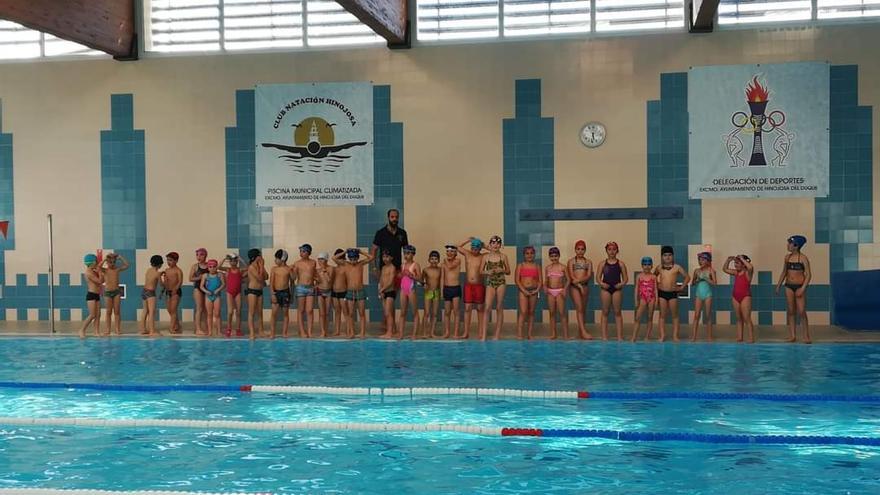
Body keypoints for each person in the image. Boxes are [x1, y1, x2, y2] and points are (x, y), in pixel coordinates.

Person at [776, 235, 812, 344]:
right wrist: (778, 285)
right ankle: (792, 335)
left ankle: (806, 336)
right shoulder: (787, 257)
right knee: (791, 311)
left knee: (801, 311)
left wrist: (803, 288)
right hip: (789, 286)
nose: (788, 245)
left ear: (796, 246)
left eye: (789, 244)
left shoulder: (803, 258)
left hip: (799, 286)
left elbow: (809, 275)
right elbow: (784, 272)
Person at [654, 245, 689, 342]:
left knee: (675, 315)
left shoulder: (677, 267)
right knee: (662, 315)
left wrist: (682, 287)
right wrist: (656, 285)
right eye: (665, 255)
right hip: (662, 294)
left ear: (673, 256)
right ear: (662, 257)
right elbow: (653, 278)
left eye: (669, 255)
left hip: (673, 293)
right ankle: (662, 335)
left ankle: (675, 336)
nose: (667, 257)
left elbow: (687, 277)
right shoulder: (659, 267)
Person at [338, 248, 375, 338]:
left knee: (362, 313)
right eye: (351, 259)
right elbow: (334, 258)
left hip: (360, 291)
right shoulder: (346, 264)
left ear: (357, 258)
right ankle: (352, 332)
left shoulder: (360, 263)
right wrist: (345, 251)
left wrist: (361, 251)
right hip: (350, 292)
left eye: (355, 259)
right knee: (350, 313)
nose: (353, 261)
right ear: (348, 258)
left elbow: (371, 257)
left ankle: (362, 333)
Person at [596, 241, 629, 341]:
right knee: (605, 312)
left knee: (617, 312)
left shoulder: (621, 264)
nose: (612, 251)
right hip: (605, 289)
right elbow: (597, 278)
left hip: (617, 289)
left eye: (614, 249)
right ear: (606, 250)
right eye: (609, 249)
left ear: (617, 251)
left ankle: (619, 336)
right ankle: (604, 336)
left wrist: (621, 284)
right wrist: (602, 284)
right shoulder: (602, 264)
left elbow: (626, 278)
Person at [481, 235, 510, 341]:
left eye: (498, 243)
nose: (495, 245)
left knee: (499, 307)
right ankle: (484, 335)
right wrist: (488, 272)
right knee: (487, 307)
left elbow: (508, 271)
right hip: (490, 282)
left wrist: (501, 270)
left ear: (500, 245)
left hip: (501, 282)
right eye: (493, 243)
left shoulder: (503, 257)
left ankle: (497, 334)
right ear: (490, 245)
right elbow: (481, 271)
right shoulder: (486, 257)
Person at [458, 238, 486, 339]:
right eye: (473, 248)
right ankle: (466, 332)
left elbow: (493, 251)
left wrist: (484, 245)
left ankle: (480, 332)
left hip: (479, 285)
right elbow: (457, 247)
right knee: (467, 308)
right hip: (468, 286)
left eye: (477, 249)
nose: (474, 251)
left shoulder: (483, 256)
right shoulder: (467, 254)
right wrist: (468, 240)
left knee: (480, 309)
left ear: (480, 249)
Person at [566, 240, 593, 340]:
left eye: (582, 249)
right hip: (575, 287)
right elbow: (572, 277)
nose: (580, 251)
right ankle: (584, 332)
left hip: (585, 286)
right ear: (575, 250)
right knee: (580, 308)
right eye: (578, 249)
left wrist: (580, 282)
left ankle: (580, 332)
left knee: (582, 310)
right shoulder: (571, 261)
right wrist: (579, 285)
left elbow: (589, 275)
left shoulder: (588, 262)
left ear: (585, 250)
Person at [725, 254, 755, 343]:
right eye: (735, 263)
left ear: (743, 264)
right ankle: (740, 337)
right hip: (735, 296)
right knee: (738, 318)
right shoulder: (736, 272)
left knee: (747, 318)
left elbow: (750, 267)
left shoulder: (747, 273)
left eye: (737, 263)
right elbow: (725, 269)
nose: (735, 265)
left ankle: (751, 338)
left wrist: (742, 259)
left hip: (745, 296)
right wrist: (728, 260)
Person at [515, 246, 542, 340]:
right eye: (527, 253)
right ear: (524, 255)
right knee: (523, 312)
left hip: (534, 291)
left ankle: (530, 334)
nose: (529, 255)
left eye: (531, 253)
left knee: (531, 312)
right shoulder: (520, 265)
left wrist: (537, 289)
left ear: (534, 254)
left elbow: (540, 281)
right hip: (523, 291)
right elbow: (517, 280)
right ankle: (519, 334)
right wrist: (524, 290)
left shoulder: (537, 266)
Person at [293, 244, 317, 338]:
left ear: (308, 252)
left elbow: (314, 275)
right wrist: (293, 271)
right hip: (300, 288)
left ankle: (310, 331)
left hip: (310, 288)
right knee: (301, 310)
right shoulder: (297, 263)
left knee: (310, 310)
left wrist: (317, 283)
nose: (301, 253)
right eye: (300, 251)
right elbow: (294, 277)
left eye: (303, 251)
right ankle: (302, 331)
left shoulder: (313, 262)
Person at [691, 252, 717, 342]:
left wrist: (706, 278)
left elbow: (715, 283)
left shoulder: (711, 270)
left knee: (708, 315)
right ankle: (694, 336)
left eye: (702, 260)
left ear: (708, 261)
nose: (700, 262)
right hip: (699, 294)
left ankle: (709, 337)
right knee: (696, 315)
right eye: (699, 260)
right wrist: (697, 280)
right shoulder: (696, 271)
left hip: (707, 295)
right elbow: (692, 283)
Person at [101, 252, 129, 336]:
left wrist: (120, 257)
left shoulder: (117, 269)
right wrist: (105, 259)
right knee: (108, 312)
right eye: (110, 262)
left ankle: (117, 329)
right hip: (108, 293)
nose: (112, 264)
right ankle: (107, 330)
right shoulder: (105, 270)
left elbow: (127, 265)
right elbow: (98, 267)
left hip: (116, 292)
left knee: (117, 311)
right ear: (107, 262)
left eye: (114, 262)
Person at [545, 246, 568, 339]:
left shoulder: (563, 267)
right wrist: (545, 286)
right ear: (549, 257)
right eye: (552, 256)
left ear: (559, 256)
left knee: (562, 313)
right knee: (552, 313)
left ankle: (566, 335)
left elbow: (568, 280)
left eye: (556, 256)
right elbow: (546, 280)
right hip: (550, 291)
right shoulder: (548, 268)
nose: (554, 258)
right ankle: (553, 333)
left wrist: (565, 289)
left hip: (559, 291)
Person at [399, 245, 422, 339]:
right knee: (402, 312)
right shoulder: (402, 265)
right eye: (404, 253)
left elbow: (420, 279)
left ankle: (414, 334)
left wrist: (411, 276)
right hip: (403, 289)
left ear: (413, 254)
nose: (406, 255)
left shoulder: (415, 265)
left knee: (414, 312)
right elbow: (401, 277)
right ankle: (401, 334)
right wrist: (401, 274)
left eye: (408, 253)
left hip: (411, 289)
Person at [631, 256, 657, 342]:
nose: (647, 266)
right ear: (642, 266)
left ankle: (647, 337)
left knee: (650, 317)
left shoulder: (653, 277)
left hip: (651, 298)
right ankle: (634, 337)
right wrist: (635, 300)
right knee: (638, 317)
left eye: (649, 264)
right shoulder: (639, 276)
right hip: (642, 298)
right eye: (645, 264)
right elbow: (636, 289)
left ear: (652, 266)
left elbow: (656, 289)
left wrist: (656, 300)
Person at [219, 254, 245, 337]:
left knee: (238, 312)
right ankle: (229, 328)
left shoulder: (240, 270)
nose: (233, 263)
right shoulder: (228, 270)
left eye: (235, 261)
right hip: (229, 293)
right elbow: (219, 267)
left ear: (237, 262)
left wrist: (240, 258)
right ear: (229, 262)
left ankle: (238, 329)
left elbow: (248, 267)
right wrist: (224, 258)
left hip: (238, 293)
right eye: (231, 261)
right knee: (230, 312)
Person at [79, 253, 104, 339]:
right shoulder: (88, 273)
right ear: (92, 262)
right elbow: (100, 281)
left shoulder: (93, 271)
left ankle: (96, 332)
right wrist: (100, 272)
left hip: (97, 295)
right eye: (96, 261)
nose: (97, 263)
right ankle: (82, 330)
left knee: (98, 315)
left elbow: (102, 280)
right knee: (92, 315)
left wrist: (99, 272)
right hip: (91, 295)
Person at [245, 248, 268, 340]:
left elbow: (266, 276)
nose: (261, 257)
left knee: (260, 312)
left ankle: (261, 331)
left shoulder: (260, 265)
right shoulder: (251, 267)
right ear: (255, 257)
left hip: (259, 291)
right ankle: (252, 333)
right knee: (252, 313)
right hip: (252, 291)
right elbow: (259, 278)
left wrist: (262, 266)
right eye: (260, 255)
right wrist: (262, 265)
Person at [269, 249, 292, 339]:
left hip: (286, 292)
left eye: (276, 258)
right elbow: (271, 283)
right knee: (274, 313)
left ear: (282, 259)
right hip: (276, 292)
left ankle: (284, 333)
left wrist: (292, 270)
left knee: (285, 313)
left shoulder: (288, 269)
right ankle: (272, 333)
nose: (275, 260)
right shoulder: (274, 269)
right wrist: (272, 294)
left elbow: (293, 279)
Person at [200, 259, 225, 338]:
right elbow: (201, 286)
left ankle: (219, 331)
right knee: (209, 314)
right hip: (208, 296)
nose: (212, 268)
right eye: (210, 267)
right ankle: (210, 331)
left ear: (216, 267)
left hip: (217, 296)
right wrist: (206, 291)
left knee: (217, 314)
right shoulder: (205, 276)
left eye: (214, 267)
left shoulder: (219, 275)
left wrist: (218, 289)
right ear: (208, 267)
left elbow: (224, 284)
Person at [441, 244, 462, 339]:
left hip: (455, 288)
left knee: (456, 312)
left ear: (456, 253)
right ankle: (447, 332)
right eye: (448, 251)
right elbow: (442, 278)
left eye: (452, 251)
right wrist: (442, 291)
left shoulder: (458, 261)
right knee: (447, 312)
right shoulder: (443, 264)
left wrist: (445, 260)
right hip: (447, 288)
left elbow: (450, 266)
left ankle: (456, 332)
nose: (449, 253)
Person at [141, 255, 164, 338]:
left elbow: (151, 277)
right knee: (151, 312)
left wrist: (160, 274)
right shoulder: (157, 273)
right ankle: (152, 331)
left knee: (145, 310)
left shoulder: (148, 270)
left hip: (144, 291)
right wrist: (163, 279)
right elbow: (161, 284)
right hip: (151, 293)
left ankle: (143, 329)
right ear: (160, 264)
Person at [162, 252, 183, 335]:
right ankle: (177, 324)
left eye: (170, 260)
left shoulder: (178, 270)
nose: (168, 262)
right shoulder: (167, 270)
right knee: (169, 310)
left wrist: (176, 289)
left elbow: (180, 281)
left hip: (176, 292)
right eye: (167, 260)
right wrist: (164, 279)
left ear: (176, 260)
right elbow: (165, 282)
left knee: (173, 310)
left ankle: (172, 328)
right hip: (168, 292)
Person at [189, 248, 209, 336]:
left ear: (205, 255)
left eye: (201, 255)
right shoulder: (195, 266)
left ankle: (207, 328)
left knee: (206, 310)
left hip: (207, 289)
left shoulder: (209, 265)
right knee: (199, 308)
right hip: (198, 288)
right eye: (197, 255)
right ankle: (198, 329)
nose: (199, 257)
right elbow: (190, 278)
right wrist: (200, 277)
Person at [422, 250, 442, 338]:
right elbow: (421, 280)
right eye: (432, 259)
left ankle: (432, 332)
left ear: (439, 260)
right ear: (429, 260)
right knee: (426, 313)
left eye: (436, 259)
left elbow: (442, 281)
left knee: (434, 313)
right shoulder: (425, 270)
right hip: (428, 292)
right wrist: (424, 284)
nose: (434, 261)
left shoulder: (440, 270)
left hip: (436, 292)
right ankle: (424, 332)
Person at [378, 250, 398, 338]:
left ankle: (389, 333)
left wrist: (382, 289)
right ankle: (392, 330)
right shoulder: (383, 268)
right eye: (383, 257)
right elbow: (381, 280)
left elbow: (390, 282)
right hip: (384, 292)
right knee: (387, 313)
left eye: (387, 257)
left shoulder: (392, 267)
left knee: (388, 313)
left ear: (391, 258)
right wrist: (380, 290)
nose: (385, 259)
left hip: (390, 292)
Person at [330, 248, 350, 337]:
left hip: (343, 292)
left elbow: (333, 258)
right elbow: (334, 258)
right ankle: (337, 331)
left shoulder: (346, 266)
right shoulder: (335, 268)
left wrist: (345, 252)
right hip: (334, 292)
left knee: (346, 313)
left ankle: (348, 330)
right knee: (337, 312)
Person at [315, 252, 334, 338]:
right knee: (321, 313)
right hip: (320, 292)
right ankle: (322, 331)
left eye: (321, 259)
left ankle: (326, 330)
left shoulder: (331, 269)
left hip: (328, 292)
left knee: (327, 313)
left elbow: (330, 281)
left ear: (326, 260)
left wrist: (325, 272)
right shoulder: (317, 270)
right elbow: (317, 282)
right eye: (319, 259)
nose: (320, 261)